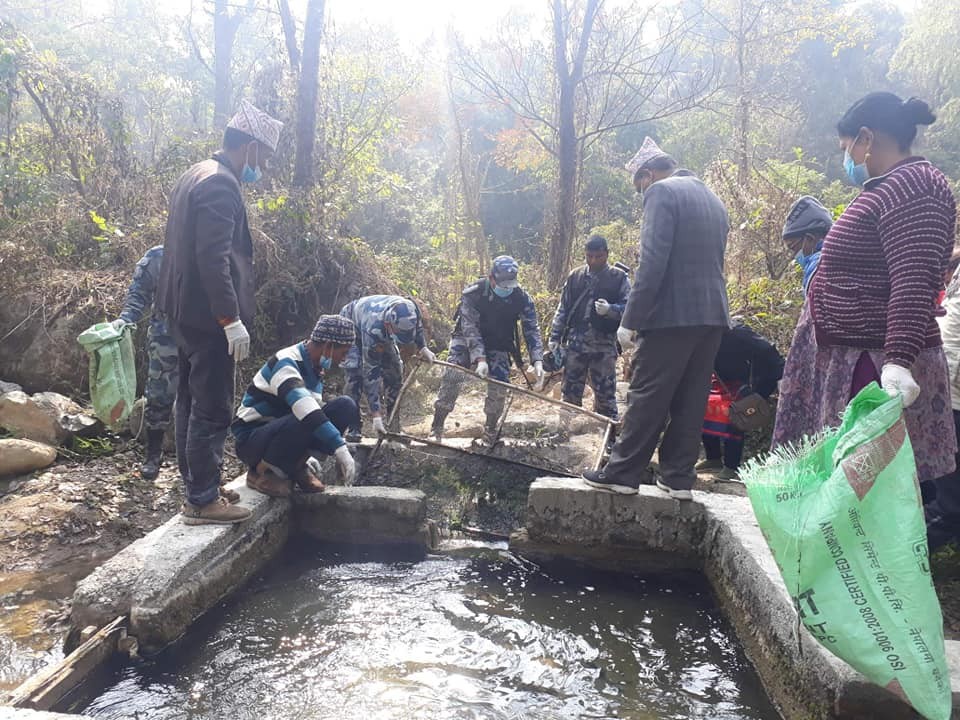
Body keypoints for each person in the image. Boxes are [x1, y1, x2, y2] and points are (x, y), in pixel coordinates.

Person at [772, 92, 957, 490]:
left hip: (874, 369)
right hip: (854, 361)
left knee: (862, 492)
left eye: (846, 148)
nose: (847, 159)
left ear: (867, 139)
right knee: (847, 490)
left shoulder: (915, 188)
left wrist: (898, 361)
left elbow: (915, 277)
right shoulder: (889, 187)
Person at [582, 137, 730, 500]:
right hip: (712, 317)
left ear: (648, 175)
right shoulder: (713, 200)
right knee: (691, 398)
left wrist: (630, 320)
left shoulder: (662, 193)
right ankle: (678, 478)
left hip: (671, 317)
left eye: (639, 186)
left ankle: (622, 472)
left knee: (648, 393)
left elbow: (652, 262)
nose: (641, 193)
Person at [157, 100, 283, 525]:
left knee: (189, 402)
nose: (262, 167)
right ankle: (201, 500)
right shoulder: (220, 185)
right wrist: (230, 318)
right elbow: (213, 258)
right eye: (262, 156)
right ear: (248, 147)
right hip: (207, 317)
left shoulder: (195, 173)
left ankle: (199, 485)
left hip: (182, 312)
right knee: (211, 408)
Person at [231, 315, 359, 498]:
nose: (343, 359)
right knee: (305, 415)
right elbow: (304, 408)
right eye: (343, 352)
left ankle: (297, 466)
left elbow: (315, 409)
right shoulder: (286, 362)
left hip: (283, 429)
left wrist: (311, 454)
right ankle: (263, 472)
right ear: (329, 345)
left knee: (344, 406)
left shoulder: (314, 368)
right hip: (252, 440)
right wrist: (340, 446)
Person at [430, 256, 544, 443]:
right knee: (453, 374)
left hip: (498, 342)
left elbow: (531, 328)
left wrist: (537, 359)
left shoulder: (521, 297)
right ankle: (437, 426)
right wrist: (480, 359)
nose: (506, 289)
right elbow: (470, 328)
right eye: (502, 284)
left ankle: (490, 431)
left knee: (500, 382)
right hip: (466, 339)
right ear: (492, 278)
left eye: (510, 285)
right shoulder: (474, 293)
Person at [548, 234, 630, 420]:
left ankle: (607, 440)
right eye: (589, 256)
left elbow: (630, 309)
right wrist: (554, 338)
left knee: (605, 397)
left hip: (604, 347)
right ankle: (565, 435)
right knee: (569, 395)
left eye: (598, 256)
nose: (593, 260)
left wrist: (611, 310)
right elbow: (563, 309)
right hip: (575, 346)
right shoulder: (576, 276)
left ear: (606, 254)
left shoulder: (618, 278)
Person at [114, 245, 177, 480]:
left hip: (200, 342)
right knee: (158, 396)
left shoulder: (206, 252)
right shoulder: (159, 256)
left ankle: (193, 462)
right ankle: (153, 455)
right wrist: (125, 318)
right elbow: (138, 291)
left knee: (197, 400)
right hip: (165, 340)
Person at [697, 319, 784, 481]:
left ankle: (731, 466)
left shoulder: (737, 331)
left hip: (742, 383)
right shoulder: (704, 331)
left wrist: (780, 375)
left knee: (735, 418)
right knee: (704, 409)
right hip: (719, 380)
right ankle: (713, 458)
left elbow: (767, 349)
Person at [339, 295, 434, 440]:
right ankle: (354, 428)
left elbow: (418, 327)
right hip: (352, 325)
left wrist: (423, 347)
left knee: (395, 371)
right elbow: (371, 371)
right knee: (355, 374)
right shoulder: (373, 328)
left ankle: (393, 427)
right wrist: (376, 414)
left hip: (380, 328)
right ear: (389, 325)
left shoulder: (411, 309)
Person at [922, 252, 960, 552]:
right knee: (950, 501)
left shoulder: (953, 297)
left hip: (945, 397)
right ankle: (900, 562)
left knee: (945, 495)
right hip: (950, 399)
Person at [781, 196, 832, 295]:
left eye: (793, 247)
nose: (794, 255)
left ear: (809, 239)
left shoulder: (817, 266)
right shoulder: (842, 252)